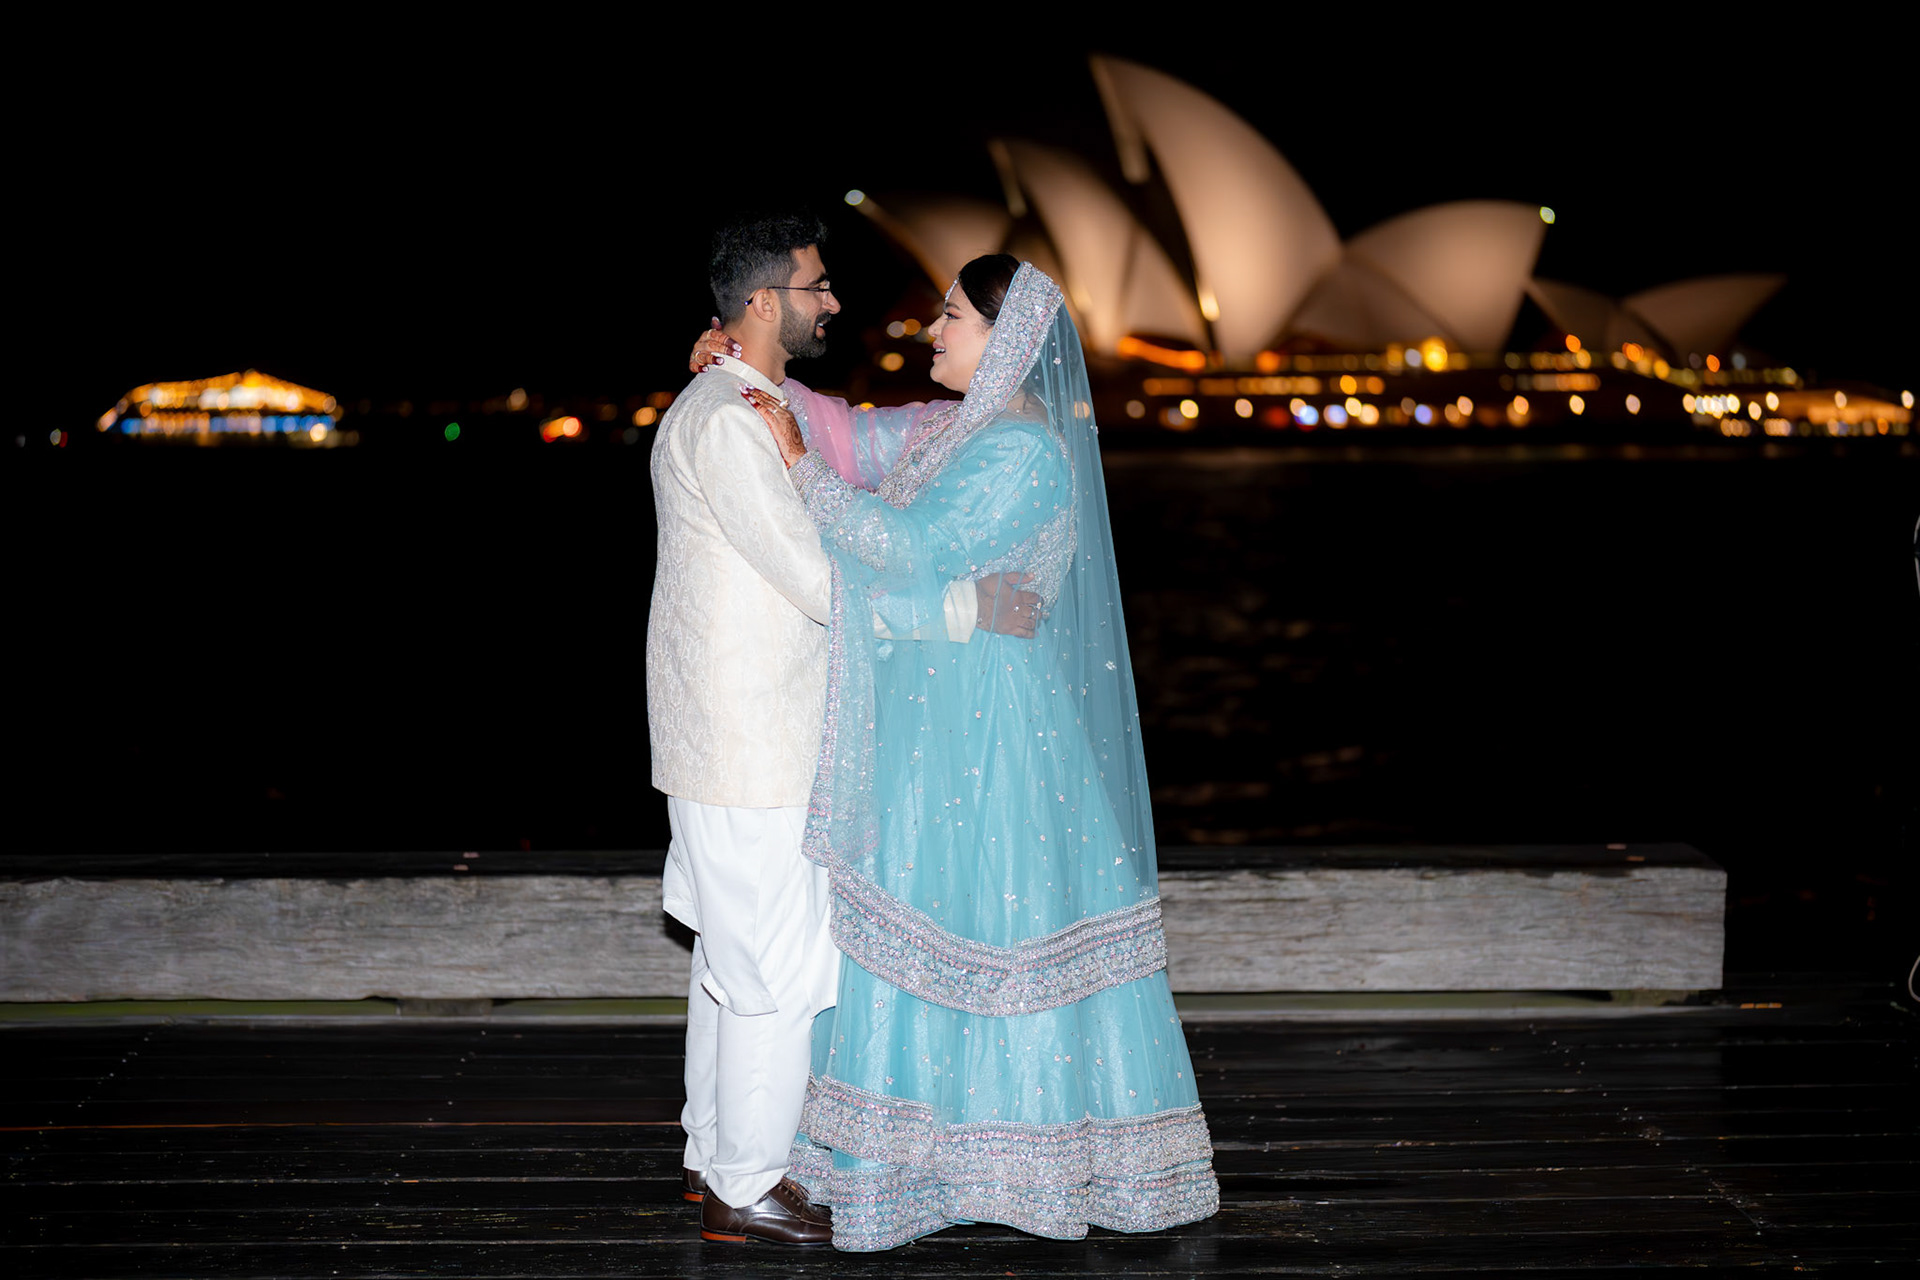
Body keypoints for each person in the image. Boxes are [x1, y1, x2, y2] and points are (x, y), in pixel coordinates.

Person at [737, 255, 1219, 1251]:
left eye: (951, 316)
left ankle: (1016, 1167)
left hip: (992, 732)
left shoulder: (1024, 452)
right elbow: (854, 432)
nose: (933, 331)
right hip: (938, 720)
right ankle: (918, 1165)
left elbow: (903, 547)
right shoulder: (959, 430)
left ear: (1008, 342)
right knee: (928, 921)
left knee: (991, 921)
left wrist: (797, 468)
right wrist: (748, 368)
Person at [646, 214, 1042, 1246]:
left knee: (733, 966)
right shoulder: (733, 421)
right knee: (776, 974)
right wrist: (961, 607)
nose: (833, 302)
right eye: (816, 287)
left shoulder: (745, 403)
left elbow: (870, 439)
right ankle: (745, 1184)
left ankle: (711, 1157)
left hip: (734, 740)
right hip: (752, 747)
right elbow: (820, 581)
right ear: (764, 301)